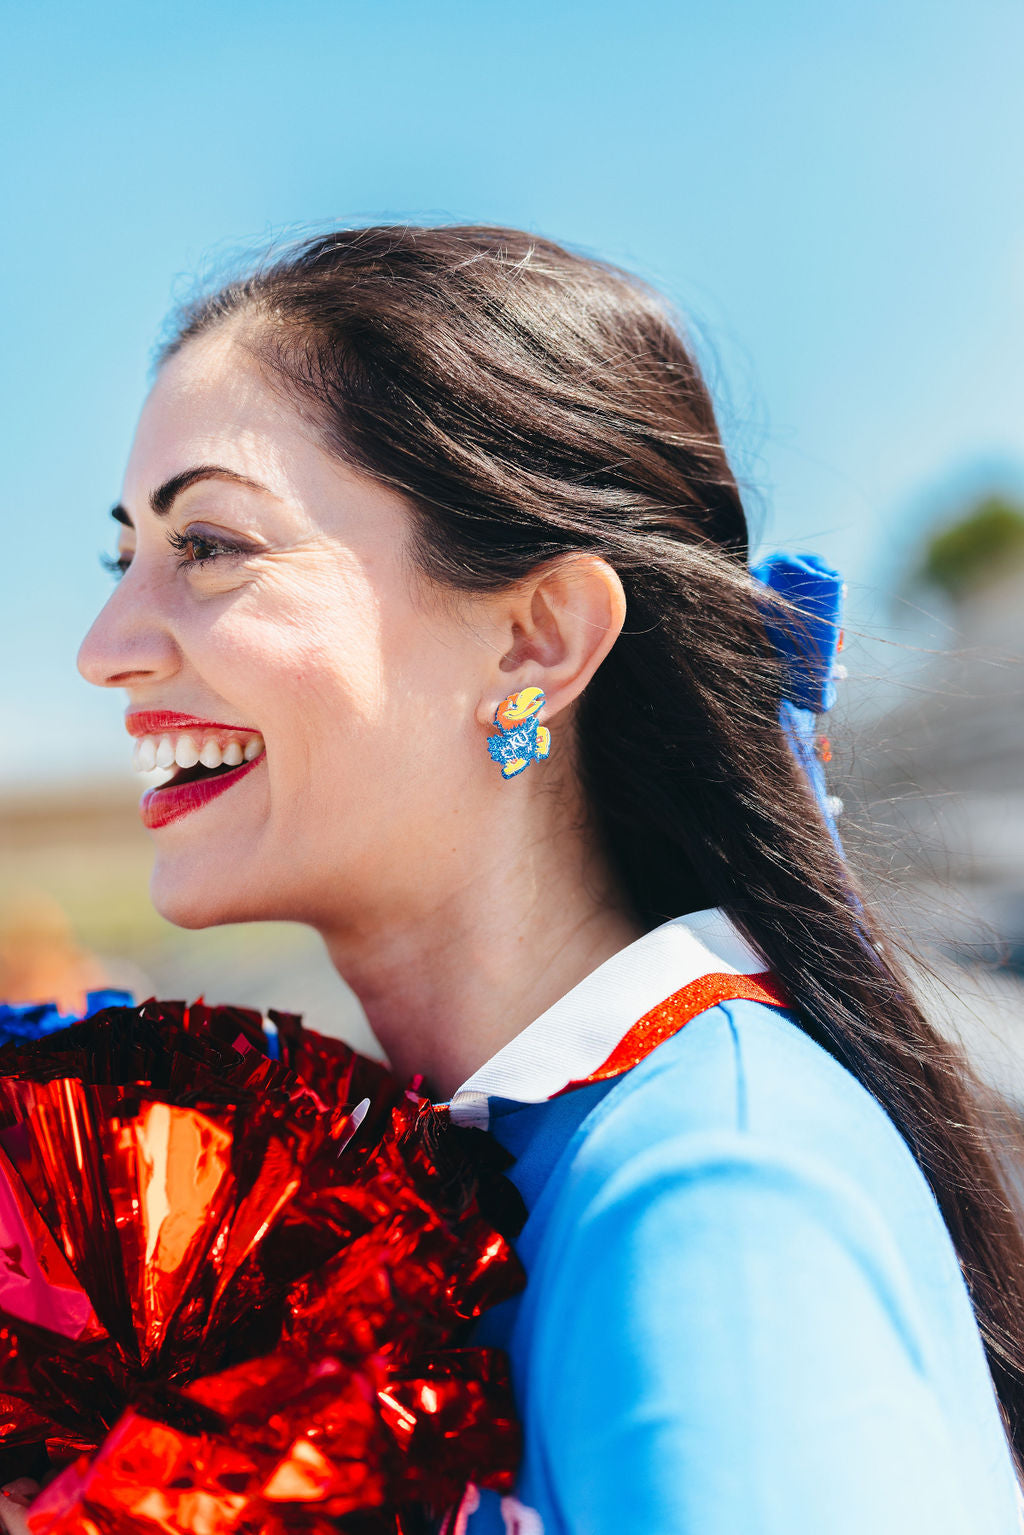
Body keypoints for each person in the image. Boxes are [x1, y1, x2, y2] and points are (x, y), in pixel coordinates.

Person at [53, 223, 1024, 1533]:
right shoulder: (493, 1156)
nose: (106, 648)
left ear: (538, 635)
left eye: (211, 545)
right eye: (126, 559)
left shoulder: (713, 1198)